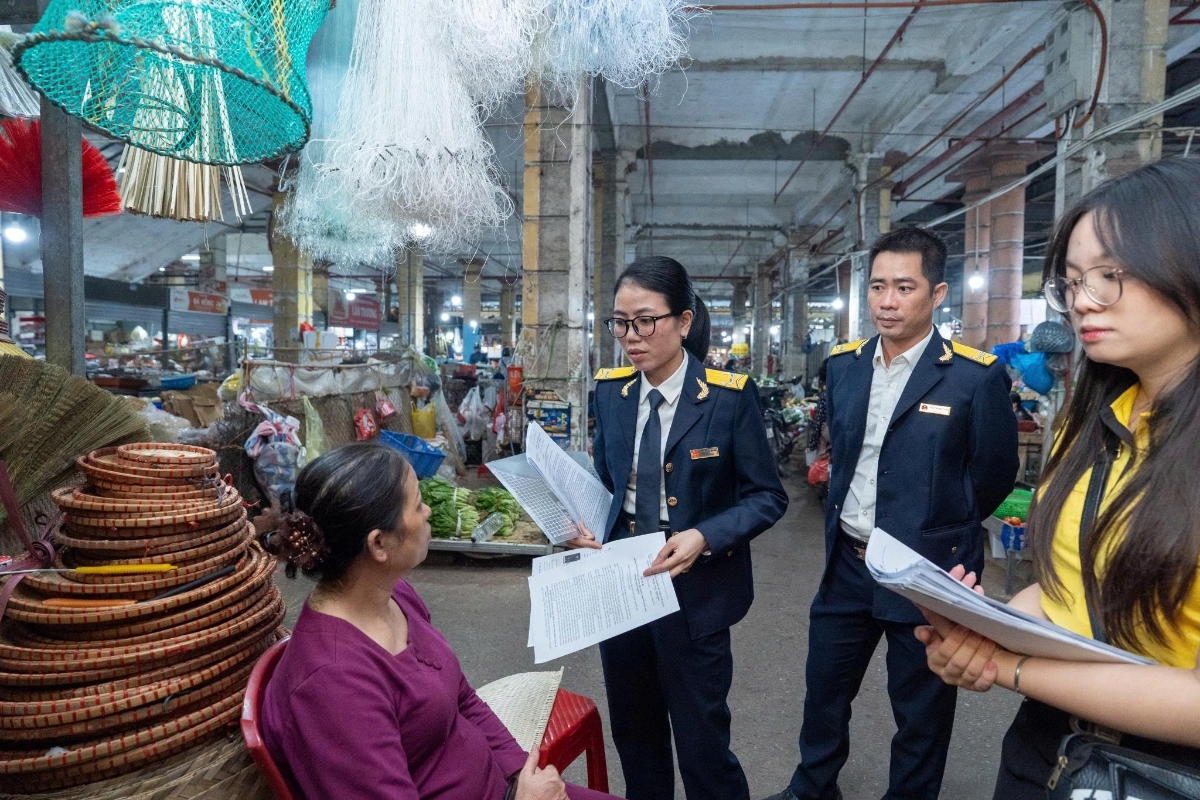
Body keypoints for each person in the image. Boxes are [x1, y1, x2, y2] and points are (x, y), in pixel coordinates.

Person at [918, 158, 1200, 797]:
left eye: (1111, 275)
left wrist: (1008, 665)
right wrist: (981, 626)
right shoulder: (1096, 422)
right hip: (1048, 755)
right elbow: (1065, 587)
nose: (1083, 301)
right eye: (1071, 281)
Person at [766, 226, 1019, 800]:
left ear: (937, 294)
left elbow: (994, 474)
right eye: (878, 286)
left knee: (921, 707)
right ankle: (812, 787)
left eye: (904, 287)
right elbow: (845, 453)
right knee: (824, 691)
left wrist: (938, 528)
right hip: (849, 564)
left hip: (926, 572)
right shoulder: (846, 366)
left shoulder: (973, 377)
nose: (887, 301)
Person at [260, 442, 619, 800]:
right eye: (417, 504)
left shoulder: (395, 596)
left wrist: (521, 771)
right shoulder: (332, 684)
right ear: (379, 544)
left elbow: (462, 697)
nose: (428, 510)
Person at [571, 256, 788, 800]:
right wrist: (585, 528)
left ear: (684, 322)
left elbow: (768, 496)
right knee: (637, 737)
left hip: (696, 591)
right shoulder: (612, 394)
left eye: (646, 320)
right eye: (620, 323)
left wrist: (705, 536)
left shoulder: (727, 397)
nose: (631, 337)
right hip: (623, 586)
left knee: (702, 743)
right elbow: (608, 484)